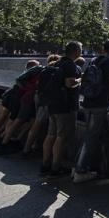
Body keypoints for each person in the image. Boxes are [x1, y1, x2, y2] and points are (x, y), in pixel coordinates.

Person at [73, 39, 109, 183]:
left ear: (103, 48)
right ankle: (80, 171)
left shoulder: (94, 59)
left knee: (89, 134)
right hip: (100, 104)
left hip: (88, 101)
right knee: (92, 137)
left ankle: (75, 167)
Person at [41, 42, 82, 177]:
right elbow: (70, 84)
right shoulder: (70, 65)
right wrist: (81, 79)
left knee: (51, 134)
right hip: (66, 106)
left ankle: (45, 164)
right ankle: (55, 167)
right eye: (80, 50)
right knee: (62, 136)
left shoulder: (57, 63)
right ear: (76, 51)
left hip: (53, 104)